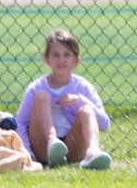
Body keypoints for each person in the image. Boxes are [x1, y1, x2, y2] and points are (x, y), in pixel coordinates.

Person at [12, 29, 116, 169]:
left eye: (67, 55)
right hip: (43, 147)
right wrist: (28, 153)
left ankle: (92, 153)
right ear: (47, 60)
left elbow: (104, 124)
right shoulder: (36, 87)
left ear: (76, 60)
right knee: (42, 97)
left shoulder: (83, 87)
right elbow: (21, 123)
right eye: (56, 55)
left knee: (86, 109)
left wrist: (80, 101)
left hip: (73, 147)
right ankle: (53, 142)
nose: (61, 59)